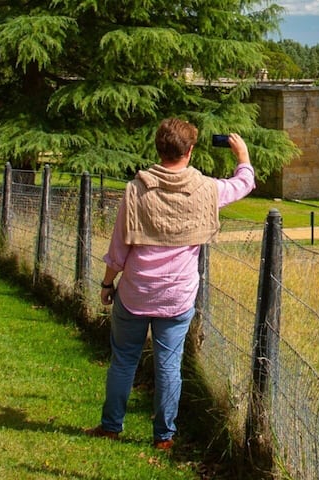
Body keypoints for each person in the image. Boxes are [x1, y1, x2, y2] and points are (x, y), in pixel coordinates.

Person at [87, 119, 254, 450]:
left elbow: (119, 247)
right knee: (168, 366)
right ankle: (164, 436)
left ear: (158, 148)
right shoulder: (206, 189)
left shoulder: (136, 189)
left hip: (135, 292)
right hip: (177, 296)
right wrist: (243, 156)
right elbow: (243, 184)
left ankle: (111, 426)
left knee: (124, 361)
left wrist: (107, 284)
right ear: (189, 151)